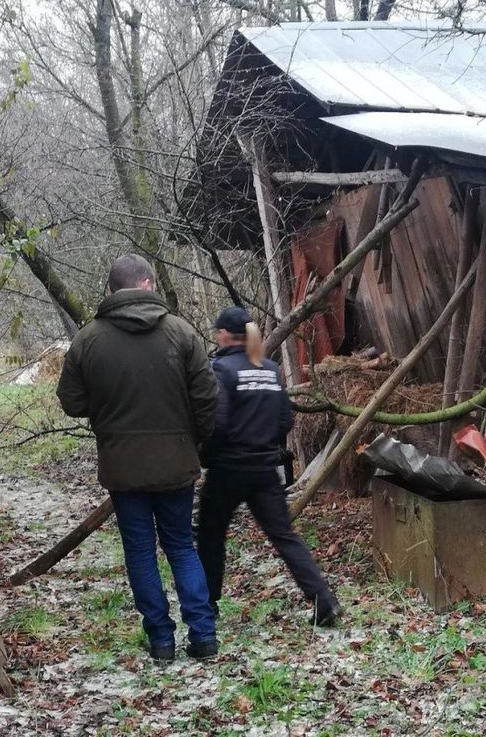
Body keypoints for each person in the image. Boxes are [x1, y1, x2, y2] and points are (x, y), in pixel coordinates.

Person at [57, 254, 219, 663]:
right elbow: (207, 398)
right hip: (176, 461)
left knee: (141, 551)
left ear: (111, 290)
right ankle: (203, 635)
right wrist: (195, 443)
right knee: (182, 546)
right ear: (148, 285)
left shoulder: (88, 339)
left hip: (122, 465)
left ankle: (161, 640)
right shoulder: (181, 333)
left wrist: (108, 408)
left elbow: (71, 402)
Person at [197, 306, 342, 627]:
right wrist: (265, 446)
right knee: (284, 535)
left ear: (223, 334)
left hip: (228, 470)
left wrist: (205, 457)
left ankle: (207, 605)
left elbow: (216, 425)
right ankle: (323, 600)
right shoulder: (268, 368)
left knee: (210, 535)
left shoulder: (221, 370)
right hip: (265, 468)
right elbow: (285, 420)